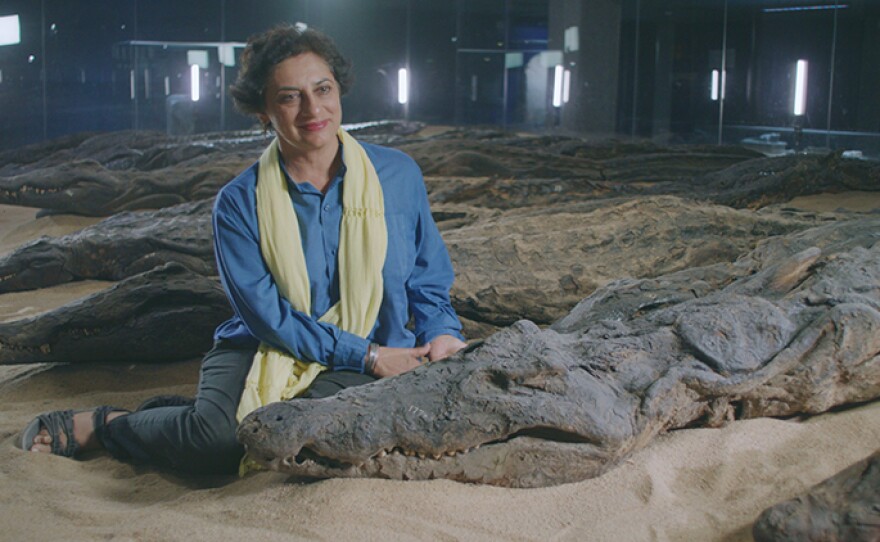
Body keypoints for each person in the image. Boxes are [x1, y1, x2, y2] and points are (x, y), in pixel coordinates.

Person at [19, 24, 466, 474]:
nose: (313, 109)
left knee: (291, 434)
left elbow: (427, 281)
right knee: (214, 444)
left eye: (323, 89)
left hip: (375, 353)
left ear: (339, 90)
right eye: (290, 97)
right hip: (267, 346)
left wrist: (443, 334)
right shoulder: (239, 202)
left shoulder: (398, 176)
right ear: (263, 112)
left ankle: (195, 412)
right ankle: (107, 425)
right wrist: (367, 356)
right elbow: (268, 317)